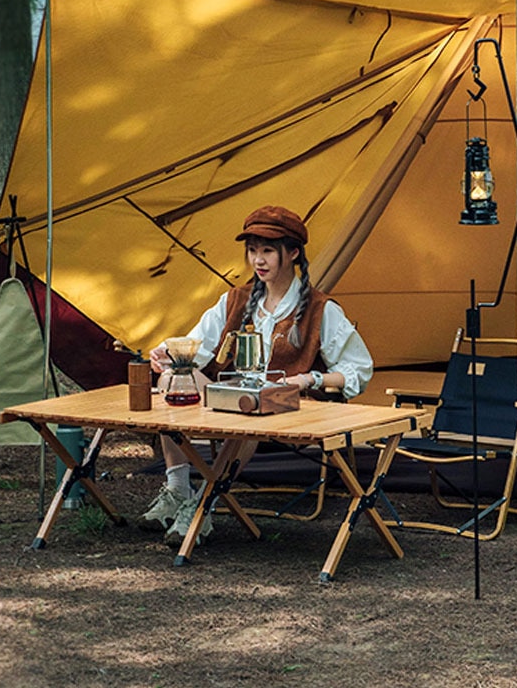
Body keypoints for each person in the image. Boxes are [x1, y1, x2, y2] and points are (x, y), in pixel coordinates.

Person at [138, 205, 373, 546]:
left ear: (293, 253)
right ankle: (177, 489)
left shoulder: (320, 309)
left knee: (249, 406)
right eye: (252, 251)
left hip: (286, 408)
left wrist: (310, 380)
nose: (258, 260)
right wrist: (168, 354)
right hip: (236, 402)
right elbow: (196, 344)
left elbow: (359, 368)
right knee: (175, 378)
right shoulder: (236, 299)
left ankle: (206, 499)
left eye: (267, 251)